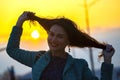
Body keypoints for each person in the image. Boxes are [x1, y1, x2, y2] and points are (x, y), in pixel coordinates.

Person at [6, 11, 115, 80]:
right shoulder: (37, 58)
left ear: (68, 41)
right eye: (51, 34)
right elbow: (11, 50)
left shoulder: (79, 66)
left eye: (60, 36)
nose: (53, 40)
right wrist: (19, 23)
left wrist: (107, 61)